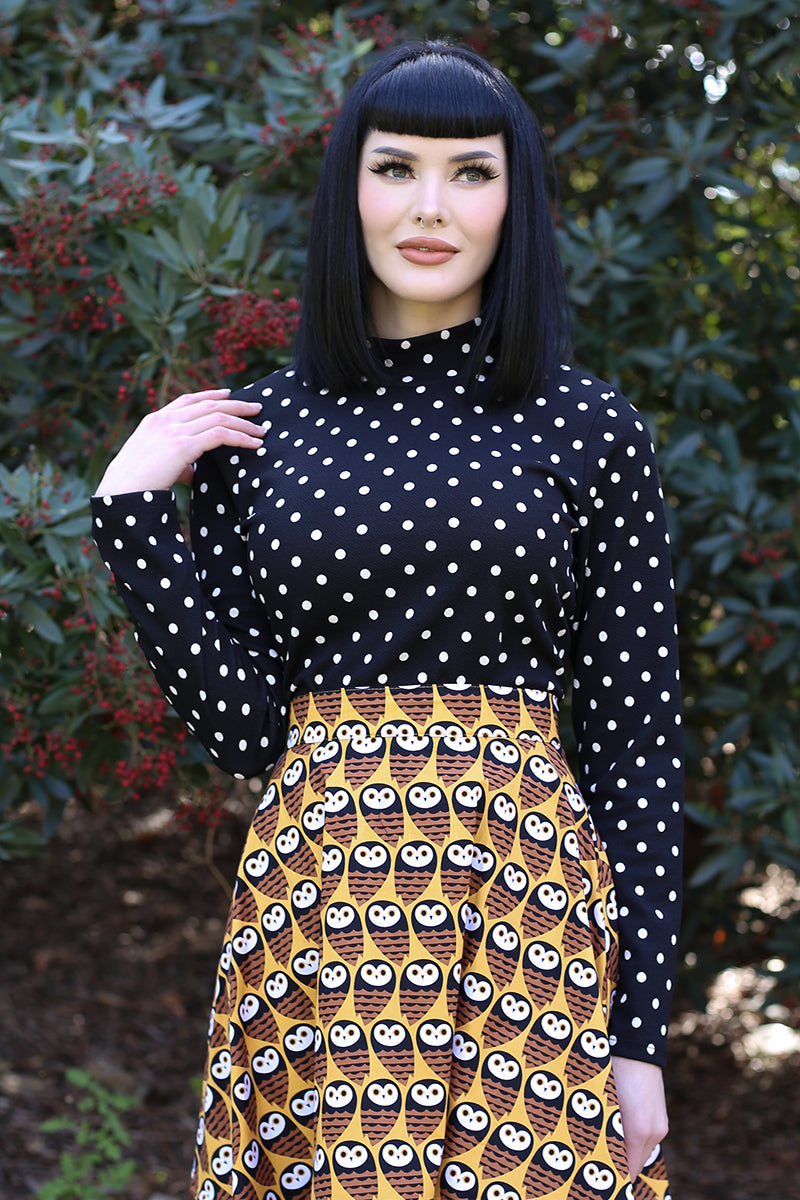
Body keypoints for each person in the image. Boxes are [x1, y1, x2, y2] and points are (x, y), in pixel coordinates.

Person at [91, 39, 683, 1200]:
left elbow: (634, 745)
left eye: (470, 172)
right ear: (345, 189)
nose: (428, 207)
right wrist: (132, 516)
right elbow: (249, 735)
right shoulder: (260, 432)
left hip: (522, 910)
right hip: (319, 914)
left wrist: (639, 1033)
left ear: (514, 199)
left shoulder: (585, 427)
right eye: (393, 166)